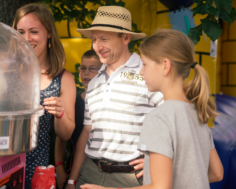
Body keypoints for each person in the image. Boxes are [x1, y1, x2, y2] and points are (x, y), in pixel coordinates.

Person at [80, 29, 224, 189]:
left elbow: (160, 186)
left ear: (165, 66)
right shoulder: (197, 113)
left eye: (145, 64)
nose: (141, 71)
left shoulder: (158, 118)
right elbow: (216, 173)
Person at [65, 6, 164, 189]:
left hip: (131, 179)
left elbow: (175, 122)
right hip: (89, 173)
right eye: (94, 39)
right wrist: (72, 179)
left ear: (126, 38)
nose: (97, 46)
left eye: (104, 39)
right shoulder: (94, 82)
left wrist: (154, 160)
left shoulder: (147, 72)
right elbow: (87, 132)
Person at [12, 4, 76, 189]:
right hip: (3, 166)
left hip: (38, 171)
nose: (26, 39)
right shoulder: (7, 72)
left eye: (33, 31)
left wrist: (60, 113)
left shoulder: (64, 78)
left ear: (49, 33)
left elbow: (65, 134)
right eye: (20, 32)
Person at [55, 50, 102, 189]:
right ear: (79, 72)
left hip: (100, 173)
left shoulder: (108, 105)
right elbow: (61, 138)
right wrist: (59, 167)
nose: (87, 72)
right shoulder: (72, 104)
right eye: (83, 68)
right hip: (73, 171)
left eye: (93, 68)